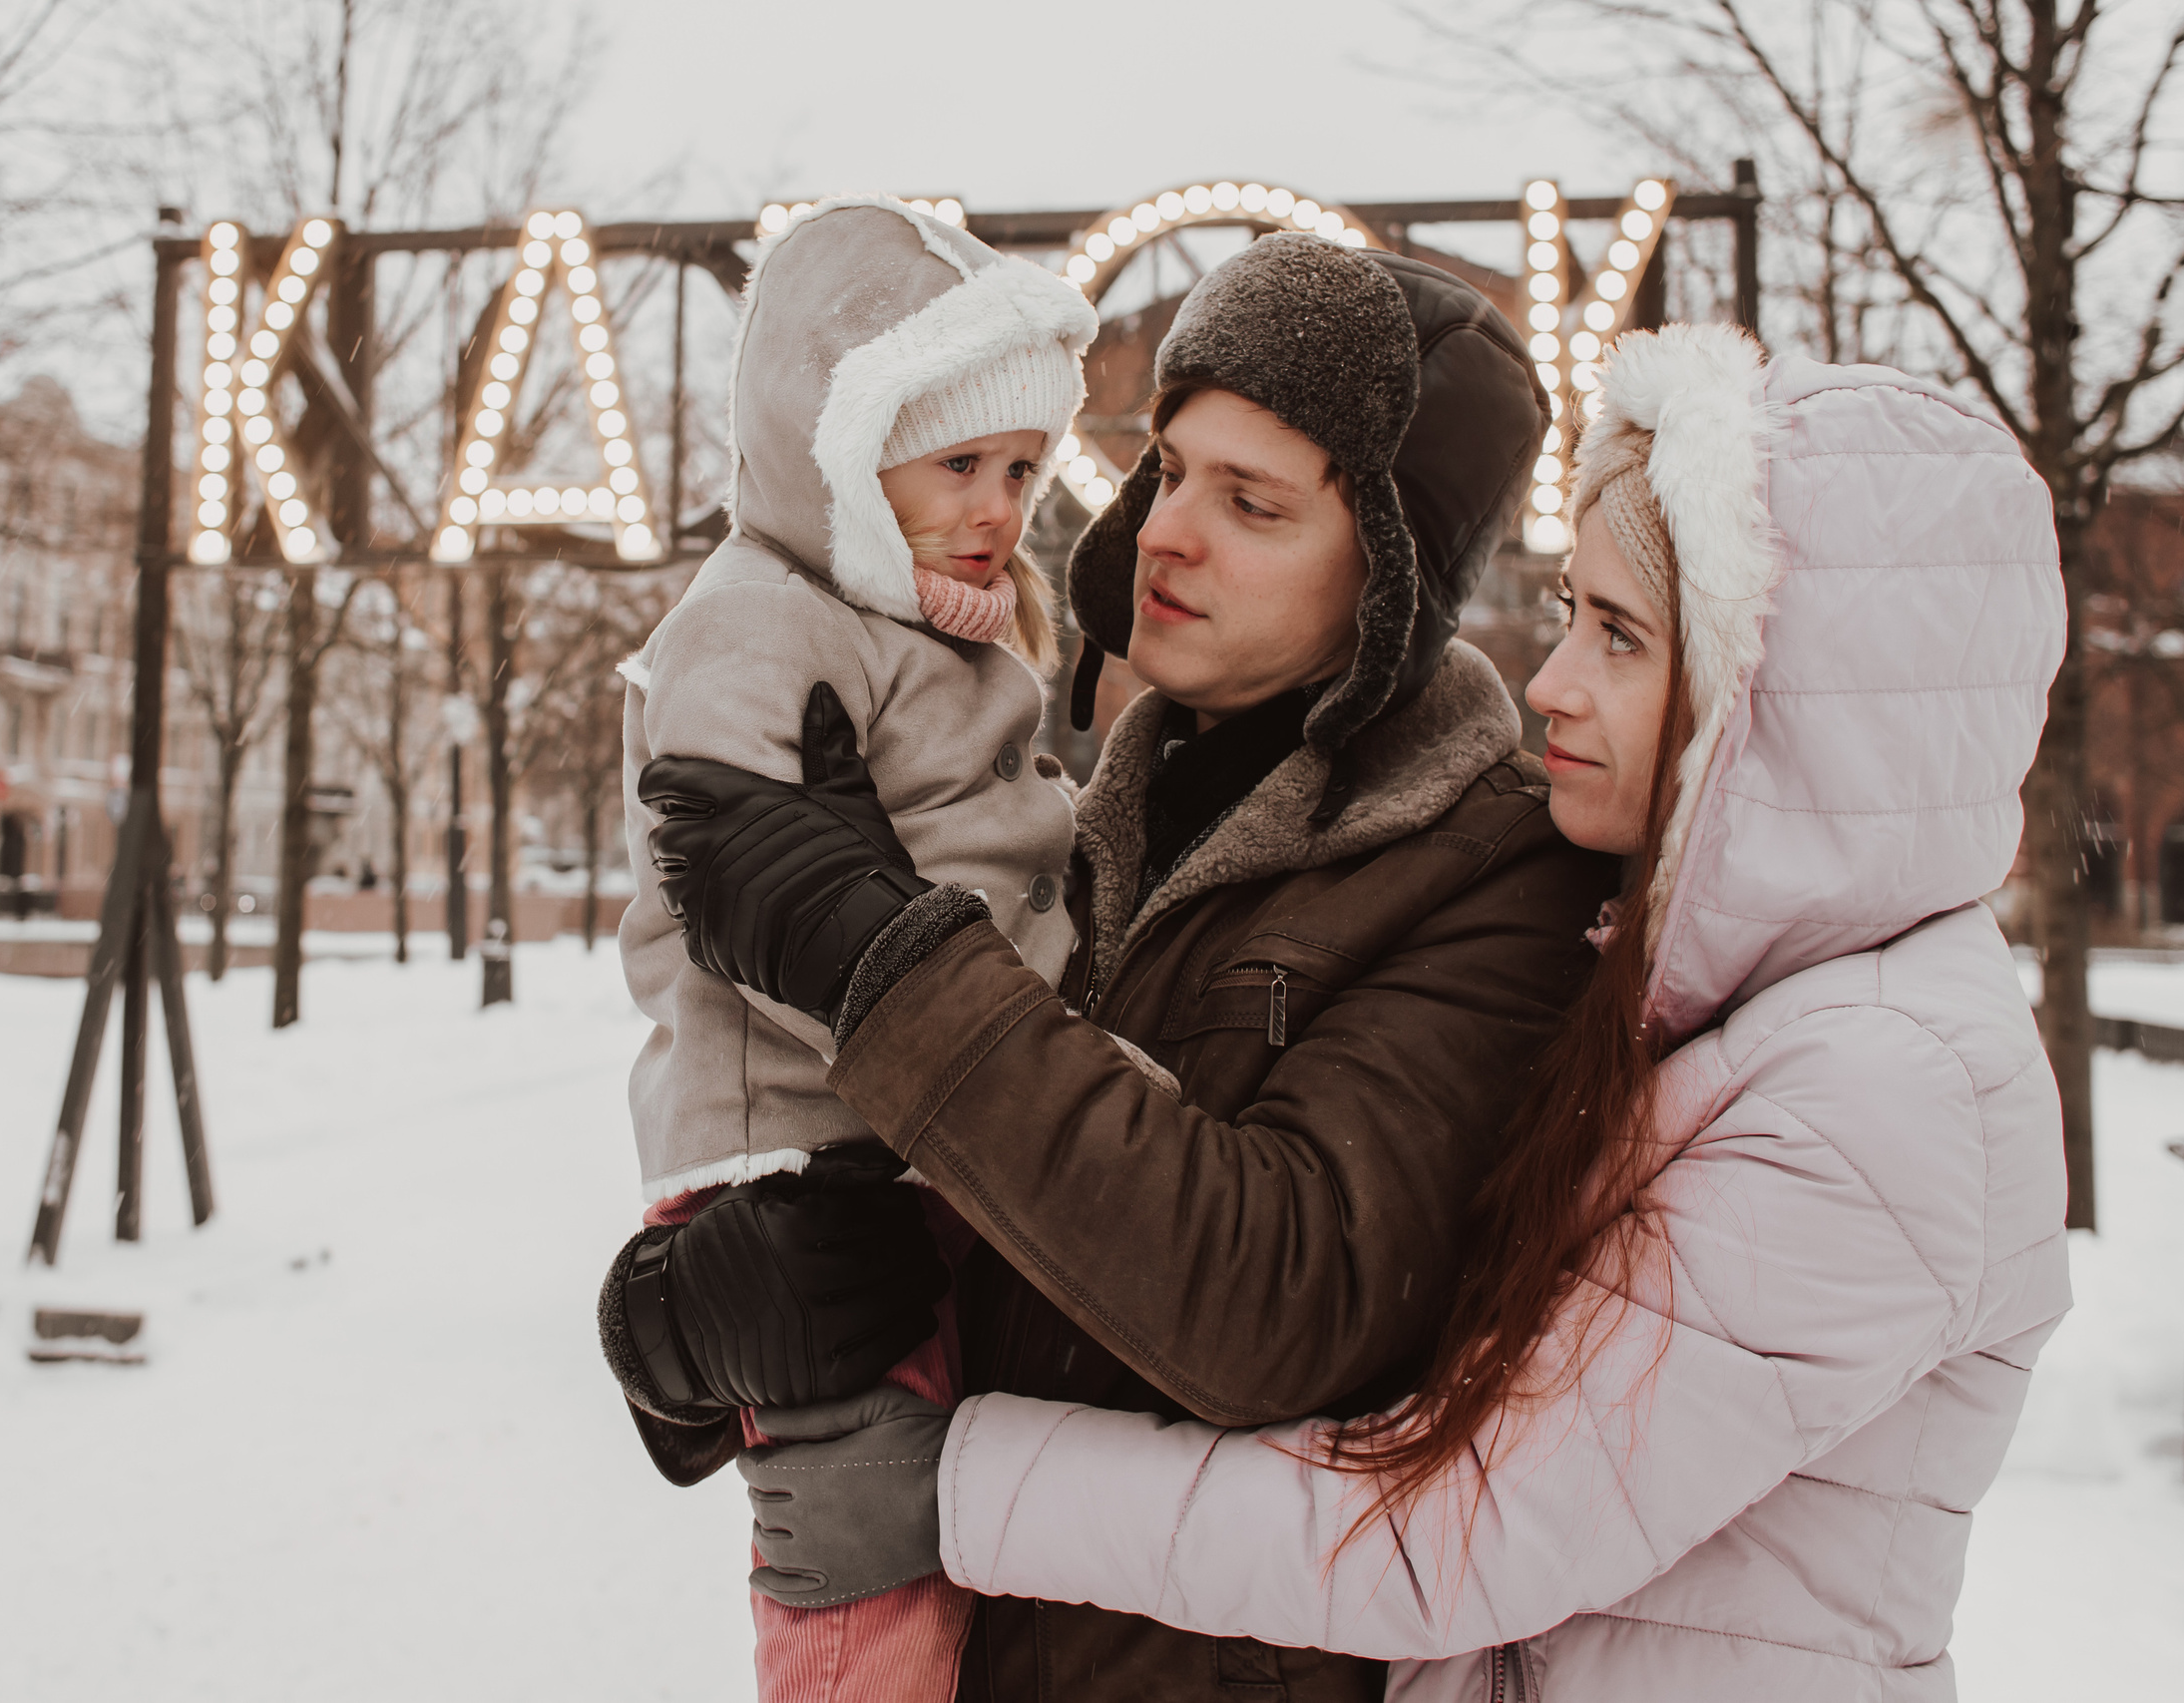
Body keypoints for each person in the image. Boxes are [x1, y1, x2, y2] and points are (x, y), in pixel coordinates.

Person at [719, 323, 2075, 1699]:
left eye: (1620, 635)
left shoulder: (1871, 1089)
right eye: (1569, 618)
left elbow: (1453, 1523)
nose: (1552, 683)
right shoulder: (1711, 1010)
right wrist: (743, 1289)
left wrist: (955, 1488)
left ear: (1783, 703)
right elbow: (1035, 1221)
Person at [625, 231, 1624, 1699]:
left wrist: (874, 964)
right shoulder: (1073, 825)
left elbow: (1282, 1301)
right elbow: (976, 1239)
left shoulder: (1497, 881)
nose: (1162, 530)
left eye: (1254, 502)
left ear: (1391, 586)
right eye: (1165, 468)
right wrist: (685, 1330)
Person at [590, 194, 1096, 1703]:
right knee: (863, 1543)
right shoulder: (754, 622)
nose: (1000, 504)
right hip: (799, 1158)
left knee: (953, 1517)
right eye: (957, 464)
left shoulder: (954, 626)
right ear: (834, 451)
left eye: (1023, 465)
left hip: (921, 1122)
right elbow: (750, 905)